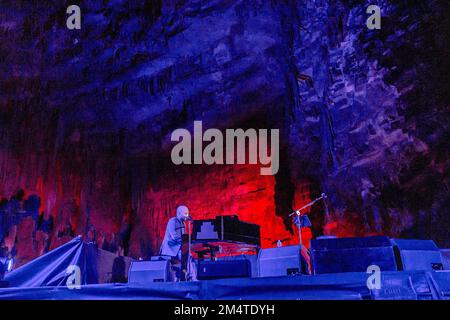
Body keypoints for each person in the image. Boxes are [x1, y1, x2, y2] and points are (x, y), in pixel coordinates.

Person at [160, 205, 192, 281]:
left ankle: (186, 276)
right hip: (170, 249)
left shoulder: (183, 223)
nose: (186, 215)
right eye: (185, 213)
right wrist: (185, 242)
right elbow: (175, 237)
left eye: (187, 213)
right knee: (187, 257)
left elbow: (183, 237)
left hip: (178, 248)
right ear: (179, 213)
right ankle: (188, 276)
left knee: (188, 256)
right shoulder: (172, 221)